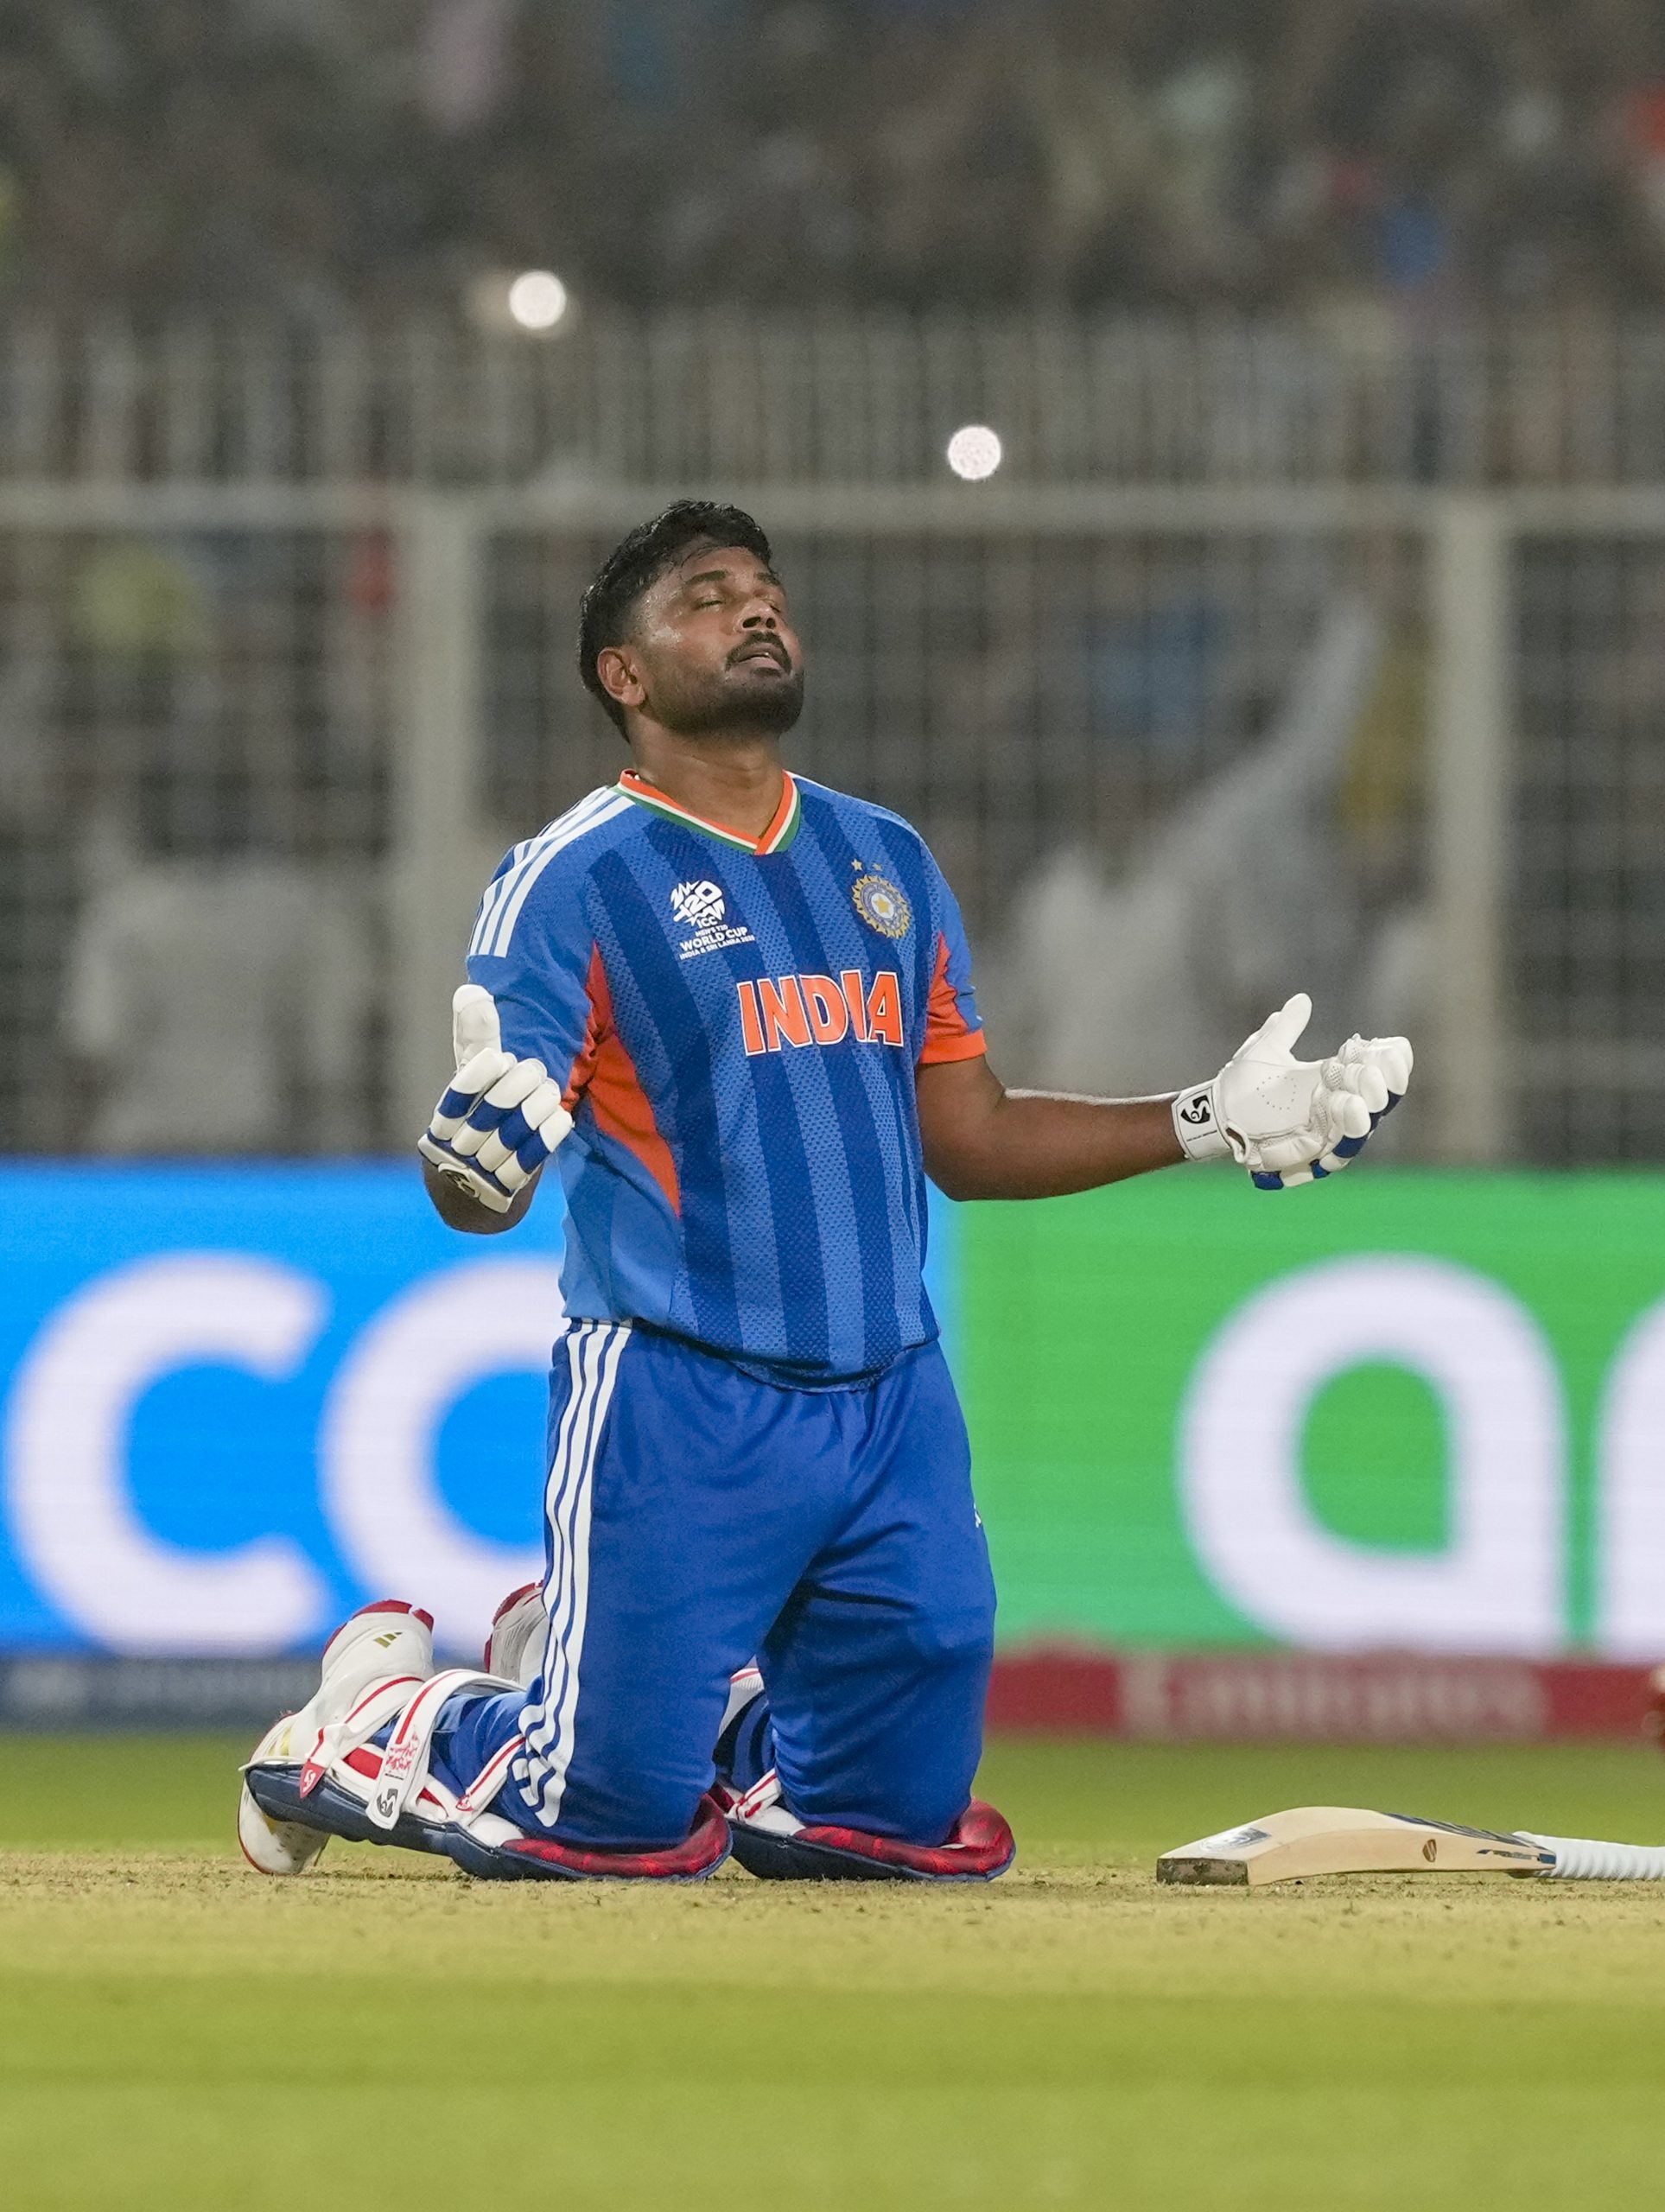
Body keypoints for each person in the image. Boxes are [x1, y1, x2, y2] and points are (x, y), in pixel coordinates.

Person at [239, 500, 1413, 1885]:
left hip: (889, 1404)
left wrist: (1202, 1119)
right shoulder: (572, 879)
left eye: (766, 590)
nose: (756, 609)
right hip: (679, 1396)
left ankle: (598, 1673)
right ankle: (373, 1708)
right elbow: (486, 1164)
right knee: (601, 1823)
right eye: (705, 596)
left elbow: (970, 1138)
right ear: (623, 673)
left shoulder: (884, 860)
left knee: (882, 1825)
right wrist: (469, 1166)